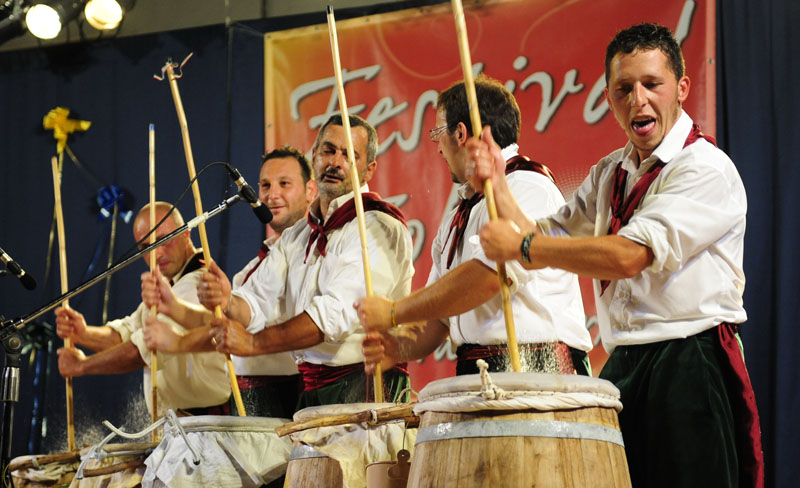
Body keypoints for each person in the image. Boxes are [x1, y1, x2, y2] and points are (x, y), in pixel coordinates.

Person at [468, 23, 763, 488]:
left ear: (682, 88)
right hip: (627, 361)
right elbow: (544, 235)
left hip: (690, 358)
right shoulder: (611, 171)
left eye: (652, 84)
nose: (638, 100)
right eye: (624, 88)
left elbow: (629, 256)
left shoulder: (705, 169)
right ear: (608, 98)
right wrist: (497, 184)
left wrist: (524, 247)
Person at [150, 114, 414, 409]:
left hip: (366, 387)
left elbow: (334, 315)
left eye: (349, 155)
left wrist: (253, 344)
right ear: (314, 157)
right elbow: (259, 299)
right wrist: (228, 302)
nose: (335, 163)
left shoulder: (376, 227)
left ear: (369, 169)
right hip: (312, 392)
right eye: (328, 151)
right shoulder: (300, 235)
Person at [356, 76, 591, 377]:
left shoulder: (528, 185)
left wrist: (394, 312)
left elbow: (489, 277)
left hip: (536, 368)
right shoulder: (461, 212)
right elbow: (440, 316)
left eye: (439, 132)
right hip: (477, 369)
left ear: (461, 133)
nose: (438, 148)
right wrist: (397, 347)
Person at [141, 146, 316, 418]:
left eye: (285, 184)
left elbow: (262, 328)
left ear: (310, 191)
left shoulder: (312, 255)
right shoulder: (252, 268)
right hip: (246, 395)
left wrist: (179, 343)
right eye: (266, 185)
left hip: (286, 394)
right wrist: (175, 308)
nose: (273, 194)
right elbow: (231, 325)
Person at [56, 203, 231, 417]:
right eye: (145, 247)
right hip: (182, 422)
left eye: (164, 240)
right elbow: (127, 333)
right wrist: (83, 333)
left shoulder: (198, 284)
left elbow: (142, 348)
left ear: (186, 234)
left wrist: (83, 366)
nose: (156, 254)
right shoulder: (171, 284)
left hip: (205, 421)